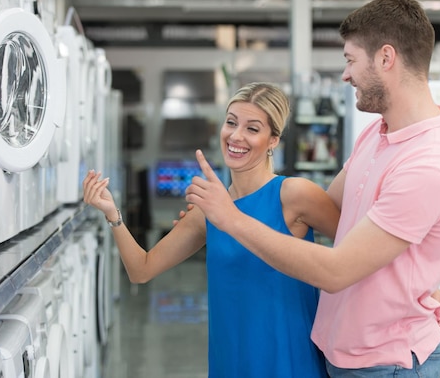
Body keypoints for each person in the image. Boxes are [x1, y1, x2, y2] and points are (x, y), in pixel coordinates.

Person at [186, 0, 440, 378]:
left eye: (351, 59)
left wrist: (230, 218)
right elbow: (331, 213)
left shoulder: (428, 167)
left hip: (384, 365)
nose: (345, 74)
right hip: (341, 353)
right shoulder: (378, 133)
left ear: (386, 58)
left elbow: (336, 270)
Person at [83, 82, 342, 377]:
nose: (236, 135)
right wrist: (113, 214)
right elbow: (141, 269)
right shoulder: (208, 208)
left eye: (252, 129)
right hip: (230, 361)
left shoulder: (295, 195)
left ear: (274, 140)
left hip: (289, 362)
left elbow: (354, 258)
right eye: (231, 122)